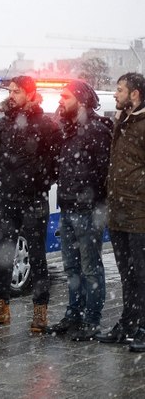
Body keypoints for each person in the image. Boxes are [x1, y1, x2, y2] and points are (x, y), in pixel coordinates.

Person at [0, 75, 60, 333]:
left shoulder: (46, 124)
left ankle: (40, 312)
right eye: (10, 91)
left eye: (16, 91)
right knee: (4, 255)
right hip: (8, 198)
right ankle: (1, 307)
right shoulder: (3, 124)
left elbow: (56, 163)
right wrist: (0, 179)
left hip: (34, 199)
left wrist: (40, 182)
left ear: (30, 93)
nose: (11, 95)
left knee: (37, 256)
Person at [44, 81, 112, 341]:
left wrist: (95, 203)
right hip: (68, 208)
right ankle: (74, 314)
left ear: (81, 101)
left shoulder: (96, 130)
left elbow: (105, 171)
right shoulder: (68, 129)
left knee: (90, 267)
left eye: (65, 96)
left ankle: (92, 320)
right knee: (71, 267)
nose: (60, 101)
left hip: (87, 210)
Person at [97, 72, 145, 352]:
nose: (115, 94)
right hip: (119, 211)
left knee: (141, 273)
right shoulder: (124, 121)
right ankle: (128, 323)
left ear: (135, 94)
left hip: (139, 212)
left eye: (119, 90)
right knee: (127, 273)